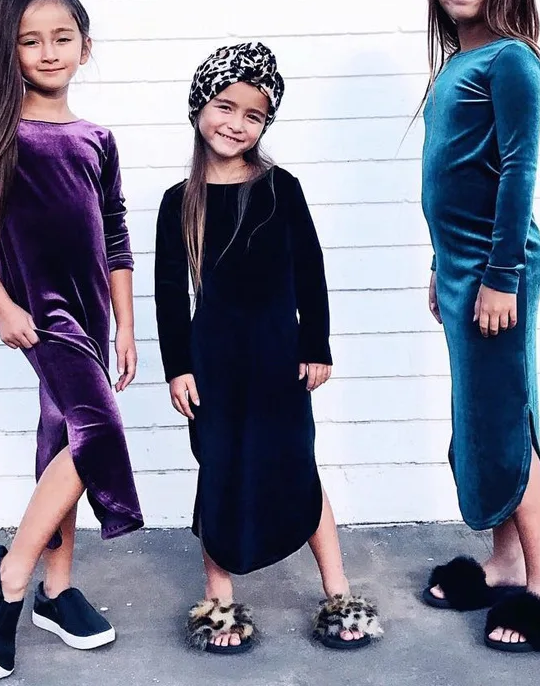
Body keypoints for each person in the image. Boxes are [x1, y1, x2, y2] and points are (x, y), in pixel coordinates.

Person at [154, 42, 382, 653]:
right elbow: (169, 294)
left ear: (265, 125)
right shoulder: (178, 202)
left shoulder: (282, 188)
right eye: (225, 107)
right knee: (219, 468)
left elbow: (311, 270)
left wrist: (317, 345)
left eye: (252, 115)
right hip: (214, 363)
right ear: (200, 108)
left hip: (279, 358)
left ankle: (338, 591)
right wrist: (178, 368)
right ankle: (219, 599)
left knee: (297, 466)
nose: (236, 123)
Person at [0, 0, 143, 678]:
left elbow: (115, 234)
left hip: (91, 314)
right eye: (31, 41)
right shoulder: (0, 134)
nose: (49, 52)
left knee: (61, 435)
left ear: (85, 47)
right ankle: (7, 573)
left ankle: (57, 593)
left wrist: (125, 325)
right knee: (99, 432)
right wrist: (1, 306)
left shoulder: (97, 138)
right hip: (42, 310)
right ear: (11, 51)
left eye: (63, 38)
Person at [419, 0, 540, 653]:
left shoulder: (512, 60)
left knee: (505, 419)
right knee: (481, 416)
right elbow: (455, 179)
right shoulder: (459, 62)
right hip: (463, 267)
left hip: (497, 268)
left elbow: (518, 171)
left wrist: (500, 274)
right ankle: (507, 559)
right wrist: (439, 264)